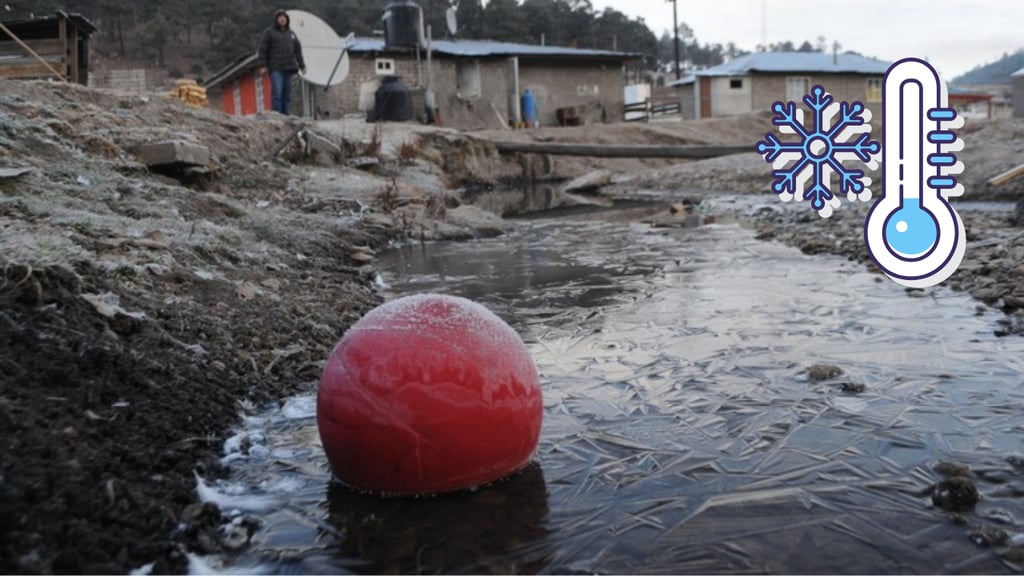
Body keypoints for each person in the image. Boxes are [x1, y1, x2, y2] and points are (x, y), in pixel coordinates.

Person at [257, 10, 306, 115]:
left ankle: (285, 115)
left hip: (289, 69)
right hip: (276, 68)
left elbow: (298, 51)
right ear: (276, 19)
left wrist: (302, 65)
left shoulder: (291, 34)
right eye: (280, 17)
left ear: (287, 19)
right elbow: (262, 49)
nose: (282, 19)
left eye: (284, 17)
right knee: (277, 93)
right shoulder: (269, 33)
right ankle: (277, 115)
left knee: (287, 95)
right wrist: (263, 65)